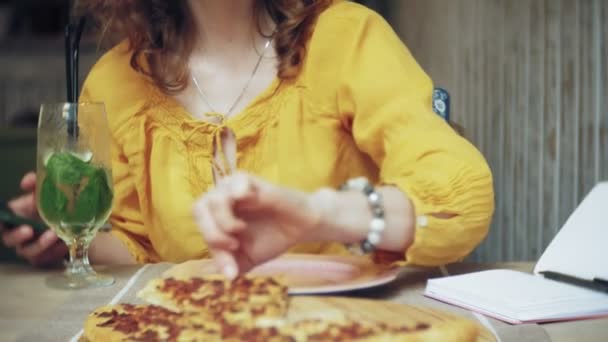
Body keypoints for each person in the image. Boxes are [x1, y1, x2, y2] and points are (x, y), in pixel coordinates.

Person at [1, 0, 494, 278]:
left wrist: (317, 215)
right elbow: (145, 247)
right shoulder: (115, 81)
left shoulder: (348, 37)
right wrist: (70, 242)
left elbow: (460, 199)